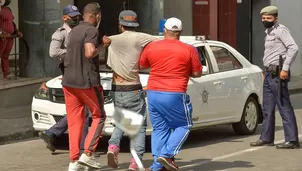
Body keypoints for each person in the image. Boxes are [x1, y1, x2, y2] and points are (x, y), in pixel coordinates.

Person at [140, 17, 202, 171]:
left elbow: (142, 64)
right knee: (184, 125)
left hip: (153, 91)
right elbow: (197, 72)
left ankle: (156, 166)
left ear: (165, 31)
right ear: (180, 32)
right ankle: (167, 155)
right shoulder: (189, 49)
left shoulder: (152, 47)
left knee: (160, 128)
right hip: (174, 93)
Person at [103, 10, 157, 171]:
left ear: (120, 25)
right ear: (135, 24)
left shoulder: (111, 40)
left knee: (122, 119)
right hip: (133, 88)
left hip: (116, 88)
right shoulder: (140, 37)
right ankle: (135, 164)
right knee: (139, 126)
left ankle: (113, 146)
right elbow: (158, 42)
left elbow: (105, 56)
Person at [38, 5, 92, 155]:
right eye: (72, 16)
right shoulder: (61, 33)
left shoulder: (80, 29)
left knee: (81, 110)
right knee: (83, 110)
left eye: (77, 16)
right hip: (71, 73)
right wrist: (72, 53)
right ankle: (82, 147)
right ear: (64, 18)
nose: (76, 18)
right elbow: (53, 52)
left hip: (81, 71)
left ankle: (52, 133)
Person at [62, 2, 106, 171]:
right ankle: (87, 154)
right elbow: (89, 52)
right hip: (86, 82)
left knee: (75, 122)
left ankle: (73, 161)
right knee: (99, 116)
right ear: (97, 16)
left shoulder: (73, 31)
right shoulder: (92, 30)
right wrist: (103, 45)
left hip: (69, 83)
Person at [250, 6, 300, 149]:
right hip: (268, 74)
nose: (265, 21)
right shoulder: (269, 32)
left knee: (284, 106)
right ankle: (266, 138)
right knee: (267, 107)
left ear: (276, 18)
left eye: (269, 18)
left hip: (279, 74)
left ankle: (292, 140)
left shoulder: (281, 31)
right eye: (264, 18)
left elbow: (293, 48)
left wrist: (285, 68)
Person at [0, 0, 23, 80]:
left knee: (5, 55)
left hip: (10, 36)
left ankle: (6, 74)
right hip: (2, 37)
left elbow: (11, 22)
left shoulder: (8, 9)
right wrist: (2, 33)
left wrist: (17, 31)